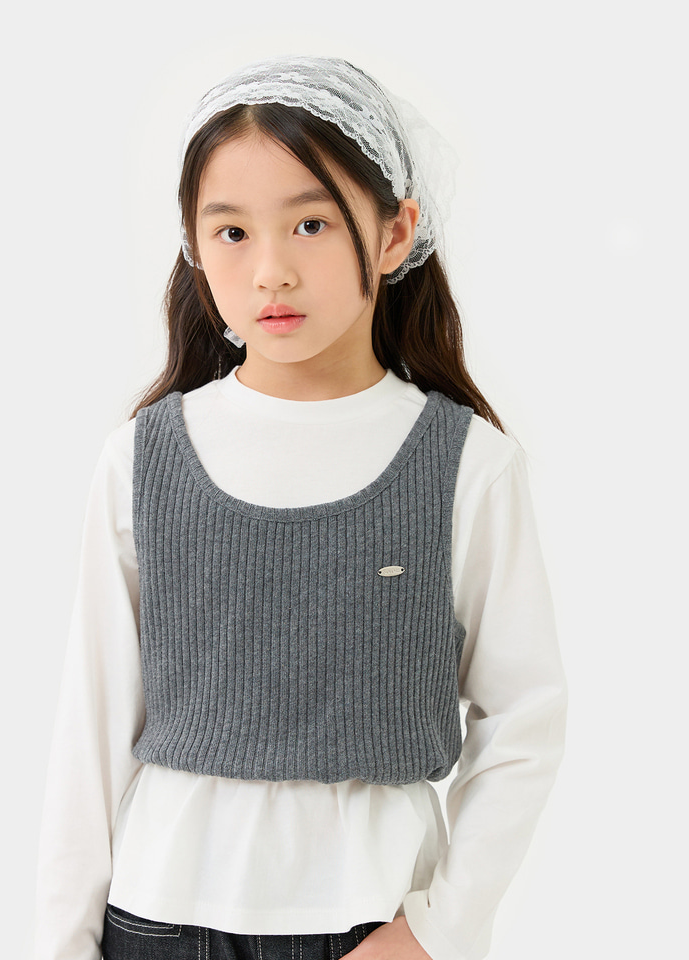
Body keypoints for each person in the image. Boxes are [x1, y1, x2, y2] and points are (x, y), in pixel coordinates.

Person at [33, 56, 568, 960]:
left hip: (377, 923)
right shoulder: (142, 459)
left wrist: (436, 929)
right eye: (231, 232)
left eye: (311, 223)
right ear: (194, 246)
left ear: (394, 233)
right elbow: (90, 731)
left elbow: (525, 721)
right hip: (161, 920)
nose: (270, 271)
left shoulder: (467, 463)